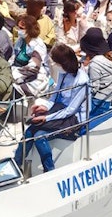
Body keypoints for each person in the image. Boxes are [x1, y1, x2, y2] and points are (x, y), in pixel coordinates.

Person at [14, 43, 89, 173]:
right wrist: (44, 106)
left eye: (55, 63)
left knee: (38, 135)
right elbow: (54, 97)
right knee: (30, 131)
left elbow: (70, 110)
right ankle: (16, 165)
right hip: (60, 111)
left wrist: (47, 117)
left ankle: (49, 171)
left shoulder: (82, 80)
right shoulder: (63, 74)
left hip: (74, 118)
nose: (54, 65)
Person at [80, 28, 112, 117]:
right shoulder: (110, 58)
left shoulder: (95, 64)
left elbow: (94, 88)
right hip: (108, 99)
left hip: (97, 101)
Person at [12, 14, 51, 96]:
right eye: (18, 28)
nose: (19, 30)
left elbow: (33, 68)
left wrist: (15, 74)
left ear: (30, 29)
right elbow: (13, 57)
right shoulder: (20, 40)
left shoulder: (38, 45)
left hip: (35, 76)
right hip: (17, 71)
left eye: (22, 28)